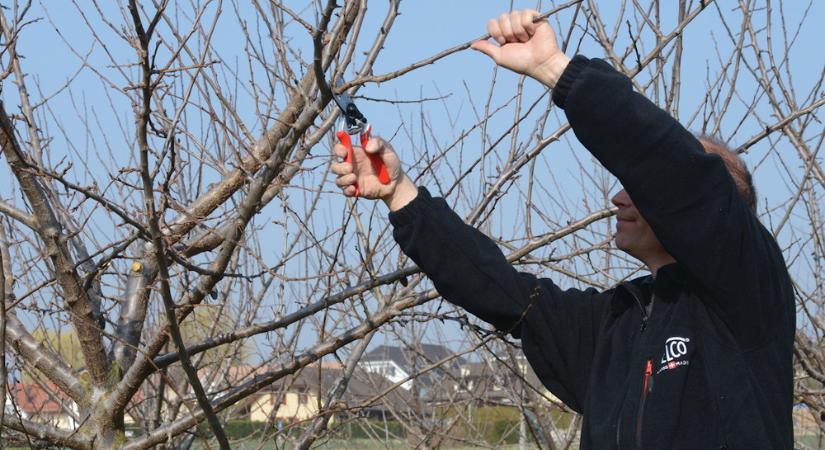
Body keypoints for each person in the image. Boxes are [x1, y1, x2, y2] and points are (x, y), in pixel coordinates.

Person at [331, 10, 794, 449]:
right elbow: (501, 291)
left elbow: (671, 167)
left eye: (640, 187)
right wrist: (401, 195)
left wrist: (556, 68)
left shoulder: (743, 294)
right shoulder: (614, 325)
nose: (618, 198)